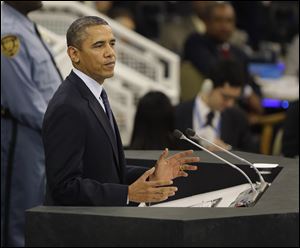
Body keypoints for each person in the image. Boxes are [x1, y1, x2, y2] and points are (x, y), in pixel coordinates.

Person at [42, 16, 200, 207]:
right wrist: (127, 194)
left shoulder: (96, 93)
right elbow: (64, 187)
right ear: (74, 54)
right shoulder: (68, 106)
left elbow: (107, 171)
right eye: (99, 45)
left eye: (112, 44)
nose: (110, 53)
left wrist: (151, 174)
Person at [1, 1, 62, 247]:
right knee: (18, 216)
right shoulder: (7, 31)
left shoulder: (22, 24)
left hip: (39, 132)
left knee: (36, 211)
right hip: (20, 131)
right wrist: (60, 127)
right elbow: (22, 99)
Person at [183, 2, 263, 116]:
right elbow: (218, 72)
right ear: (206, 22)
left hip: (237, 116)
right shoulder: (195, 43)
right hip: (203, 113)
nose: (224, 26)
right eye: (218, 20)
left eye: (229, 21)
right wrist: (246, 91)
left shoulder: (239, 54)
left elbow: (251, 84)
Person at [175, 59, 259, 153]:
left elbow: (252, 155)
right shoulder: (178, 113)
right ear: (209, 86)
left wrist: (228, 150)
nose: (230, 104)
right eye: (225, 97)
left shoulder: (238, 118)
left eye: (234, 99)